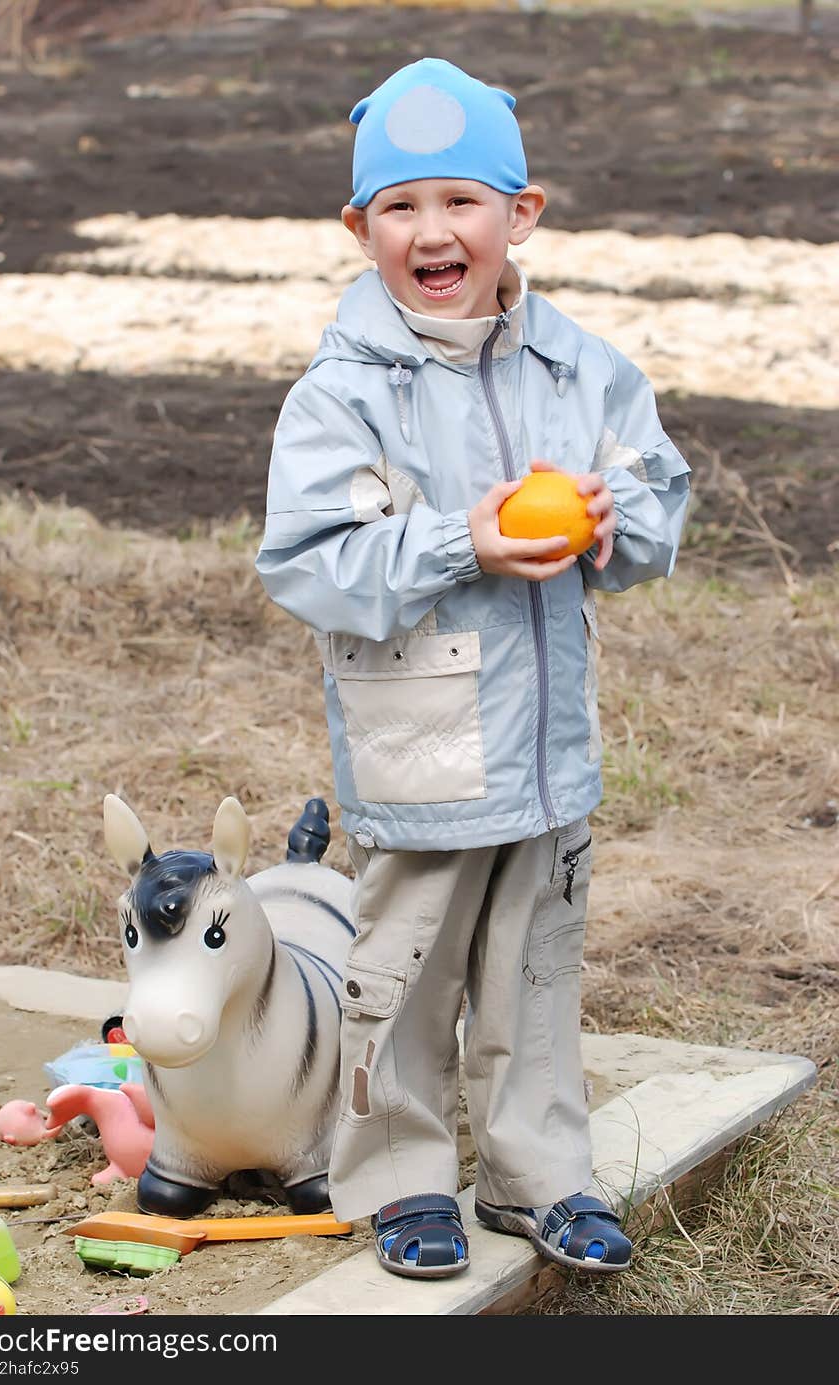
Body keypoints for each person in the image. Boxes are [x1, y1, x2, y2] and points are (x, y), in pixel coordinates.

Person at [255, 58, 690, 1280]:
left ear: (523, 215)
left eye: (461, 201)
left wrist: (612, 524)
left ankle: (536, 1172)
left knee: (534, 971)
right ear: (359, 228)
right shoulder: (346, 394)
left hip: (546, 748)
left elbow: (655, 495)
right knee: (402, 971)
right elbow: (310, 561)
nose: (432, 231)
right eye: (399, 207)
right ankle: (400, 1173)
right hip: (423, 747)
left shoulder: (581, 369)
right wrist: (464, 537)